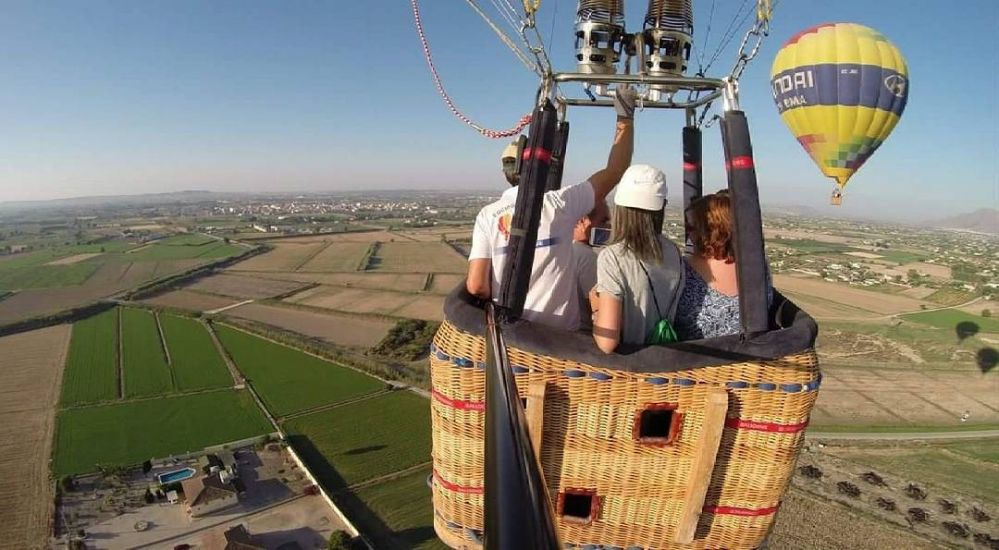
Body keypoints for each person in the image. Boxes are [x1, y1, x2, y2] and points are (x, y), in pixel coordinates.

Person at [465, 88, 637, 330]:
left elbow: (476, 286)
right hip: (559, 339)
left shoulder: (487, 216)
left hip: (509, 338)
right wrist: (625, 117)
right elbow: (615, 170)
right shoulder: (559, 203)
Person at [591, 164, 684, 353]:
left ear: (621, 209)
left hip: (631, 369)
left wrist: (595, 306)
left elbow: (606, 342)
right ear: (661, 208)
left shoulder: (613, 257)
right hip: (666, 361)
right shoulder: (673, 251)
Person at [674, 191, 772, 340]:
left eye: (692, 228)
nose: (689, 234)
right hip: (748, 355)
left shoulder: (684, 268)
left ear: (712, 230)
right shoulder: (759, 265)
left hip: (692, 357)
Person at [570, 200, 610, 330]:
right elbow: (597, 307)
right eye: (603, 220)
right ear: (582, 222)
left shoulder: (564, 249)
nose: (608, 226)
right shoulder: (587, 257)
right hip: (582, 335)